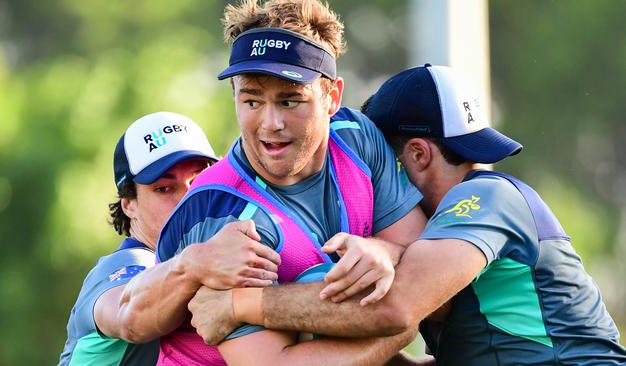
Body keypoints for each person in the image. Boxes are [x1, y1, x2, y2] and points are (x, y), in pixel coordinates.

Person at [190, 64, 626, 365]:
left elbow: (396, 309)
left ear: (417, 155)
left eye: (384, 163)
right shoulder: (456, 226)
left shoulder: (487, 198)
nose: (374, 184)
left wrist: (237, 304)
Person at [153, 0, 428, 364]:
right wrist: (399, 325)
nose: (270, 123)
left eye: (289, 101)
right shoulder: (222, 218)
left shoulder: (357, 137)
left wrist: (384, 251)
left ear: (332, 98)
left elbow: (421, 254)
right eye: (252, 101)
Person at [58, 112, 282, 365]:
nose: (188, 198)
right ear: (129, 204)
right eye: (164, 189)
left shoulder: (226, 257)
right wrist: (194, 264)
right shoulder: (127, 264)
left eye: (197, 180)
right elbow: (128, 315)